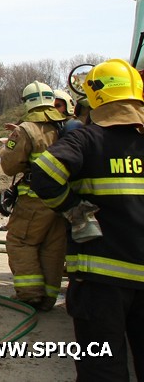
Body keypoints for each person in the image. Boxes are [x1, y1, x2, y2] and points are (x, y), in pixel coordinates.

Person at [32, 59, 144, 381]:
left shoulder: (86, 140)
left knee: (102, 369)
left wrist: (74, 208)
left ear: (95, 98)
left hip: (100, 280)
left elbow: (43, 174)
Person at [1, 81, 69, 310]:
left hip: (34, 199)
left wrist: (9, 145)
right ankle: (48, 297)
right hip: (63, 198)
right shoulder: (66, 125)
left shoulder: (25, 130)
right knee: (53, 246)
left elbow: (9, 166)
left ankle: (30, 294)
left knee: (20, 241)